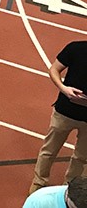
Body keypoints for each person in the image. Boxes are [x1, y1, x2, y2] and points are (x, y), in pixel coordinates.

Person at [29, 37, 87, 194]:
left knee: (82, 157)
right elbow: (54, 69)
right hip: (64, 112)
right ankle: (39, 183)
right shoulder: (75, 48)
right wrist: (64, 88)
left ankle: (70, 188)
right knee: (49, 150)